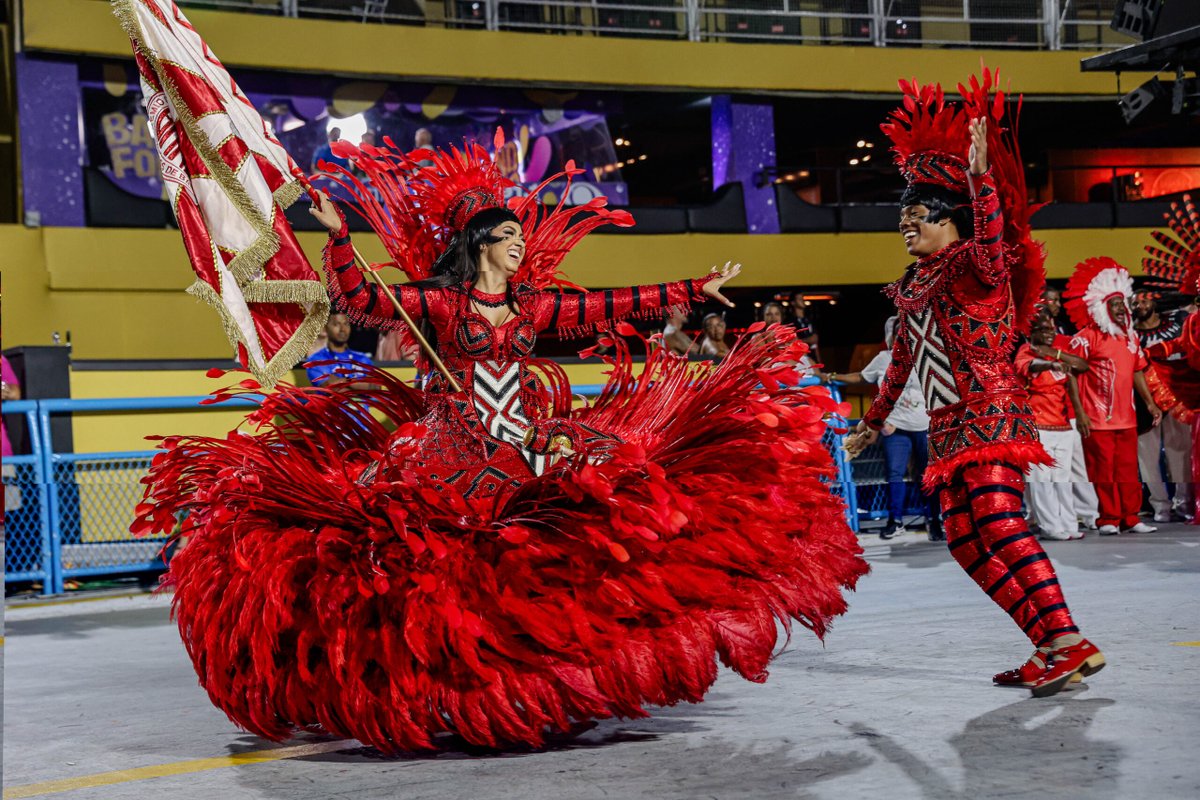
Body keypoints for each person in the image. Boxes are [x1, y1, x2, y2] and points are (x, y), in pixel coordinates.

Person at [133, 137, 867, 752]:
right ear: (481, 240)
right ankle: (461, 692)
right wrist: (339, 240)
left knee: (570, 545)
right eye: (512, 236)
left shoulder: (529, 306)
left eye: (521, 236)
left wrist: (688, 289)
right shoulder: (441, 302)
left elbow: (607, 305)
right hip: (452, 446)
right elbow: (361, 303)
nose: (522, 247)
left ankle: (544, 685)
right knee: (444, 575)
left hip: (524, 441)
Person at [844, 69, 1103, 697]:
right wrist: (871, 423)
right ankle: (1049, 648)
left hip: (992, 415)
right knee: (964, 541)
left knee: (999, 522)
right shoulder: (911, 288)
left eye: (917, 217)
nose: (906, 227)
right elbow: (901, 361)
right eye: (902, 219)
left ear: (948, 220)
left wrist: (981, 180)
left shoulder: (976, 267)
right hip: (948, 426)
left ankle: (1069, 640)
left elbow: (992, 238)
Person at [1064, 258, 1161, 536]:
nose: (1121, 310)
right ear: (1102, 309)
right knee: (1103, 471)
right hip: (1096, 418)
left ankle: (1131, 517)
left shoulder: (1130, 338)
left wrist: (1151, 403)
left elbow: (1138, 371)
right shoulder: (1085, 338)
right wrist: (1080, 412)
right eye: (1115, 305)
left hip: (1126, 417)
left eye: (1123, 304)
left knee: (1129, 470)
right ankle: (1109, 518)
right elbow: (1071, 374)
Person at [841, 317, 941, 541]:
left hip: (924, 425)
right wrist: (829, 377)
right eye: (898, 332)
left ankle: (933, 519)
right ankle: (895, 521)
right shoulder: (884, 358)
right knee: (894, 474)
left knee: (927, 476)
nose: (902, 336)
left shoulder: (926, 356)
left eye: (907, 332)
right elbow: (862, 377)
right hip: (895, 427)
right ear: (892, 335)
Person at [1015, 311, 1090, 541]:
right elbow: (1028, 366)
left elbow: (1074, 379)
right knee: (1041, 479)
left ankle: (1068, 523)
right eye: (1043, 330)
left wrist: (1079, 412)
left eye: (1051, 330)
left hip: (1062, 426)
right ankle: (1049, 526)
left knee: (1063, 480)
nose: (1049, 334)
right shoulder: (1026, 352)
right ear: (1031, 332)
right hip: (1038, 427)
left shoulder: (1057, 356)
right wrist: (1047, 365)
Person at [1132, 291, 1195, 522]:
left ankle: (1183, 502)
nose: (1139, 305)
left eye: (1144, 300)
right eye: (1135, 302)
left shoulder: (1177, 325)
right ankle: (1160, 506)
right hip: (1142, 401)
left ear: (1155, 303)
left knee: (1180, 453)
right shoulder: (1130, 334)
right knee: (1147, 457)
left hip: (1177, 398)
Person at [305, 311, 375, 386]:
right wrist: (362, 384)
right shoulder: (316, 361)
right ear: (325, 328)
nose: (342, 329)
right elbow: (332, 389)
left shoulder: (362, 358)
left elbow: (376, 387)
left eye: (346, 324)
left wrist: (344, 381)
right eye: (336, 324)